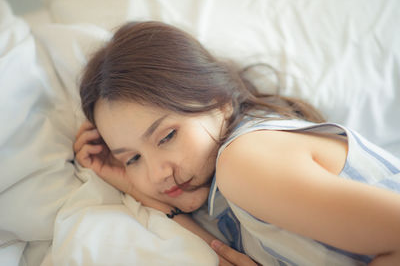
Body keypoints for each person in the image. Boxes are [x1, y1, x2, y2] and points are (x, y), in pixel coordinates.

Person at [73, 21, 400, 266]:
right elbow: (224, 256)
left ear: (220, 102)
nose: (157, 173)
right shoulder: (222, 199)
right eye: (132, 159)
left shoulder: (246, 161)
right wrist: (135, 190)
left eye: (167, 136)